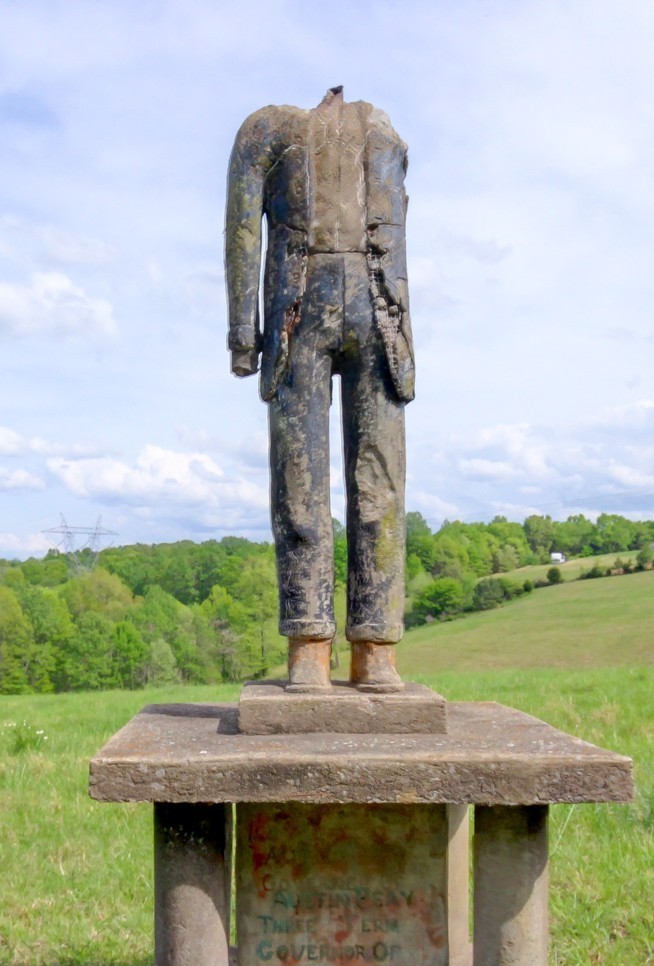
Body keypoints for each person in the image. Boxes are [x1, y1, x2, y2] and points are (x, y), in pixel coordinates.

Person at [225, 87, 414, 691]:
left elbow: (240, 231)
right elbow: (242, 229)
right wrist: (242, 333)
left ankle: (369, 646)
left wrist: (242, 335)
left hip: (366, 310)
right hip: (314, 311)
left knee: (367, 484)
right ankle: (314, 643)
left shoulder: (374, 132)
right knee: (309, 482)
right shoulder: (272, 129)